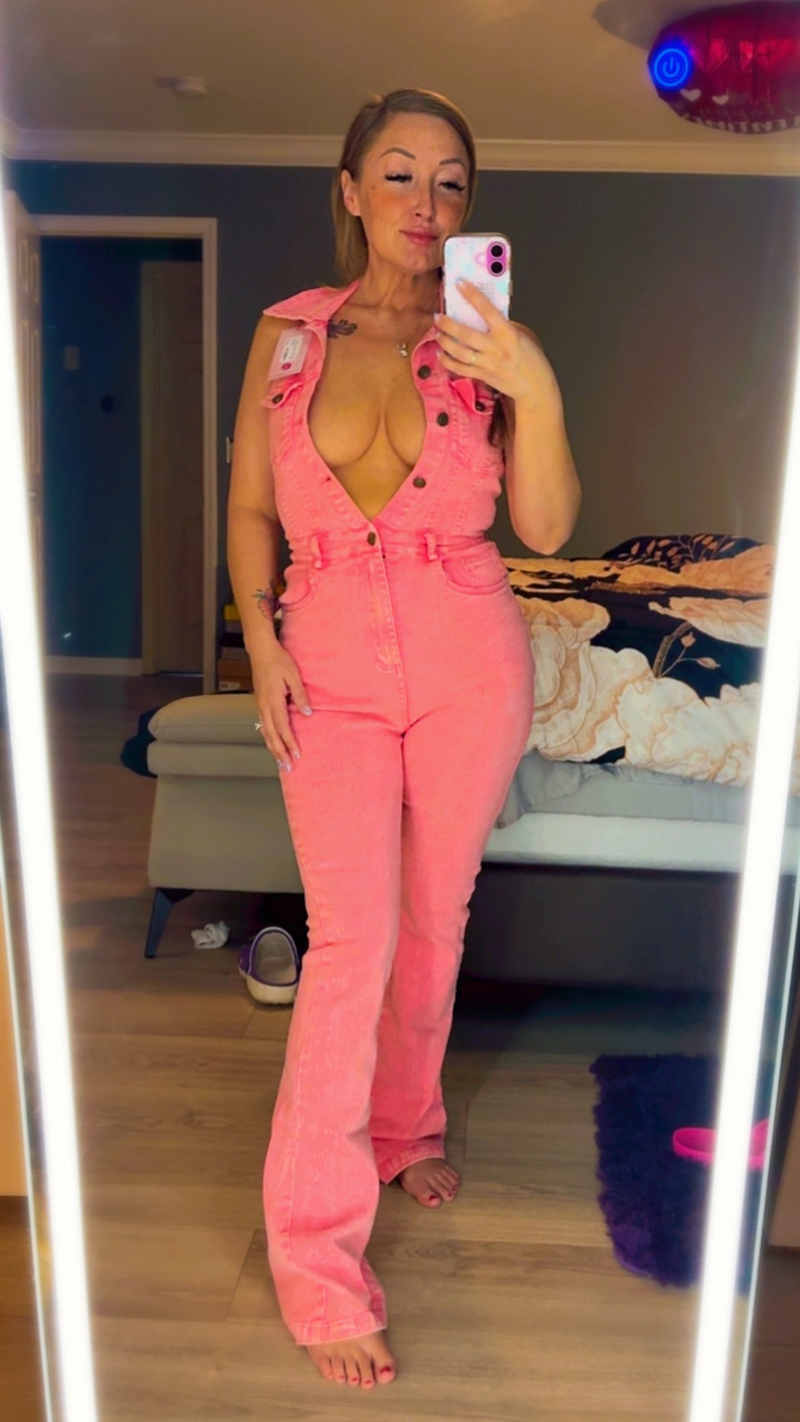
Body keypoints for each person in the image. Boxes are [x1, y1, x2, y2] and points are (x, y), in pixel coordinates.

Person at [226, 86, 581, 1391]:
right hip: (325, 652)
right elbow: (251, 507)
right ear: (349, 188)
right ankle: (319, 1265)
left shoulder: (491, 342)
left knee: (435, 919)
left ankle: (406, 1126)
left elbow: (547, 527)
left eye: (449, 182)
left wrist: (535, 385)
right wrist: (261, 644)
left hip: (467, 647)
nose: (424, 204)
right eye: (398, 173)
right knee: (350, 944)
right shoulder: (286, 336)